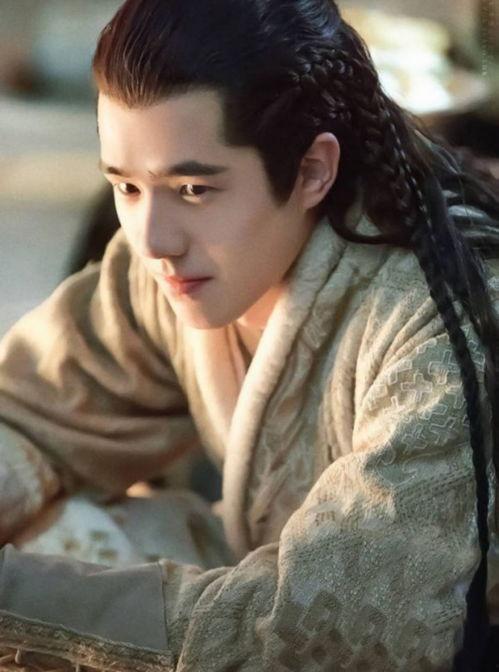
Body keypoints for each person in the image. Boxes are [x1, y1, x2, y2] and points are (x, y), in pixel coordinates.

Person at [0, 0, 499, 669]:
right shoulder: (165, 267)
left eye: (193, 190)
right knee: (53, 526)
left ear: (312, 171)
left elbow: (331, 633)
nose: (153, 239)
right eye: (127, 188)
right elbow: (28, 415)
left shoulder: (440, 328)